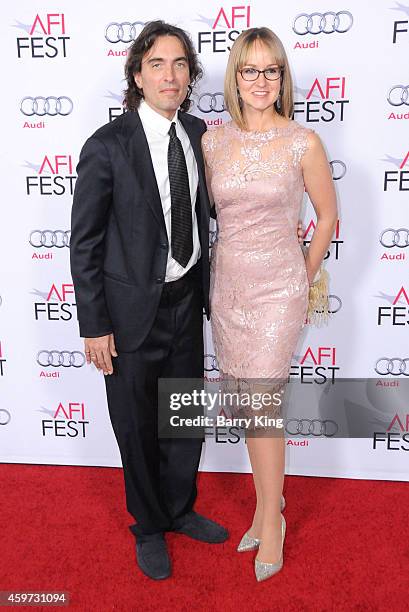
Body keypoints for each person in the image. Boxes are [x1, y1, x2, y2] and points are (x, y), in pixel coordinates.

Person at [70, 20, 229, 581]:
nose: (171, 74)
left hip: (187, 300)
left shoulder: (197, 130)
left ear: (191, 76)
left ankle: (179, 509)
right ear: (137, 74)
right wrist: (94, 325)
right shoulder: (106, 146)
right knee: (136, 424)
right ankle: (148, 524)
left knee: (182, 417)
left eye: (181, 64)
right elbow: (85, 242)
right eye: (158, 63)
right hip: (130, 314)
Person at [202, 27, 337, 582]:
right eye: (250, 70)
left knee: (263, 404)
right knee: (244, 401)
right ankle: (266, 505)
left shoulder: (303, 142)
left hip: (279, 291)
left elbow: (326, 218)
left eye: (271, 70)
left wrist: (301, 280)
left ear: (283, 77)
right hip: (229, 286)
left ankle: (272, 523)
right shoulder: (213, 141)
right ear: (236, 77)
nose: (261, 81)